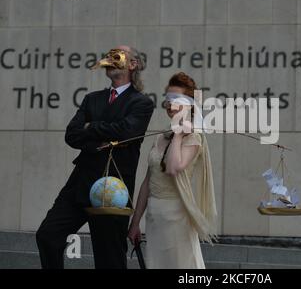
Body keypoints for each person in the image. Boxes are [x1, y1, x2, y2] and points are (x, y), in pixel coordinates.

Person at [36, 45, 154, 269]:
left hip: (113, 189)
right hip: (80, 182)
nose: (110, 59)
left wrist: (91, 126)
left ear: (132, 64)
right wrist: (101, 137)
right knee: (48, 235)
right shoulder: (92, 99)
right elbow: (72, 134)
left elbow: (128, 132)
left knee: (109, 257)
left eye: (118, 55)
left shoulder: (141, 103)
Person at [128, 72, 217, 269]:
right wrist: (135, 222)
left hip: (177, 216)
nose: (170, 104)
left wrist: (178, 136)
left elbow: (173, 167)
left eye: (176, 99)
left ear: (189, 104)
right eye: (167, 99)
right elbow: (147, 182)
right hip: (154, 216)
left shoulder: (193, 137)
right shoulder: (160, 137)